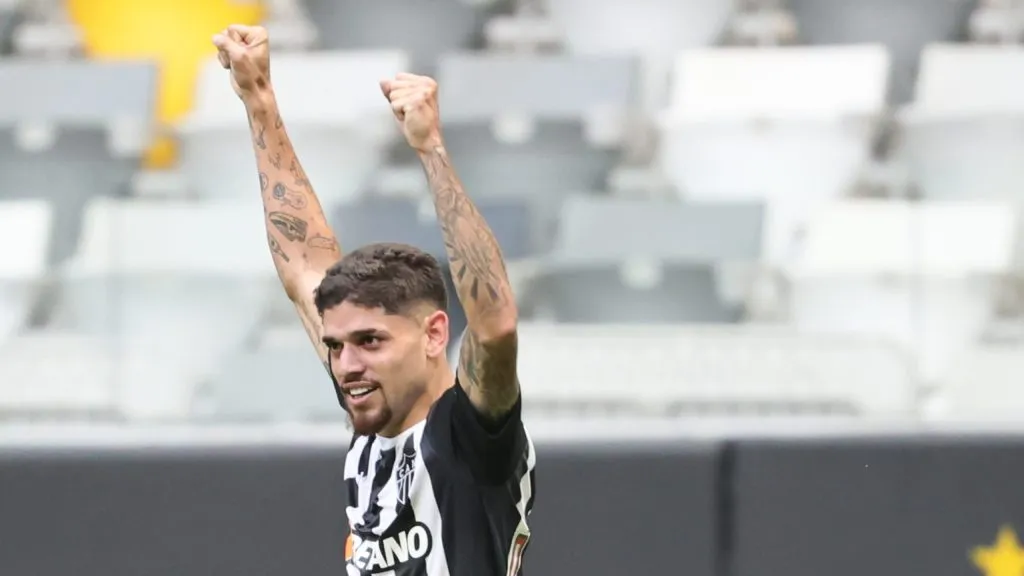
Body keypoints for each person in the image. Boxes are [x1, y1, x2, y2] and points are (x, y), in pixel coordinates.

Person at [212, 25, 536, 576]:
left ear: (434, 335)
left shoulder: (467, 435)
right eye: (337, 346)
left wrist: (430, 149)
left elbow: (495, 322)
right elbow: (304, 264)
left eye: (370, 342)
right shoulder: (373, 404)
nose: (346, 365)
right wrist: (258, 98)